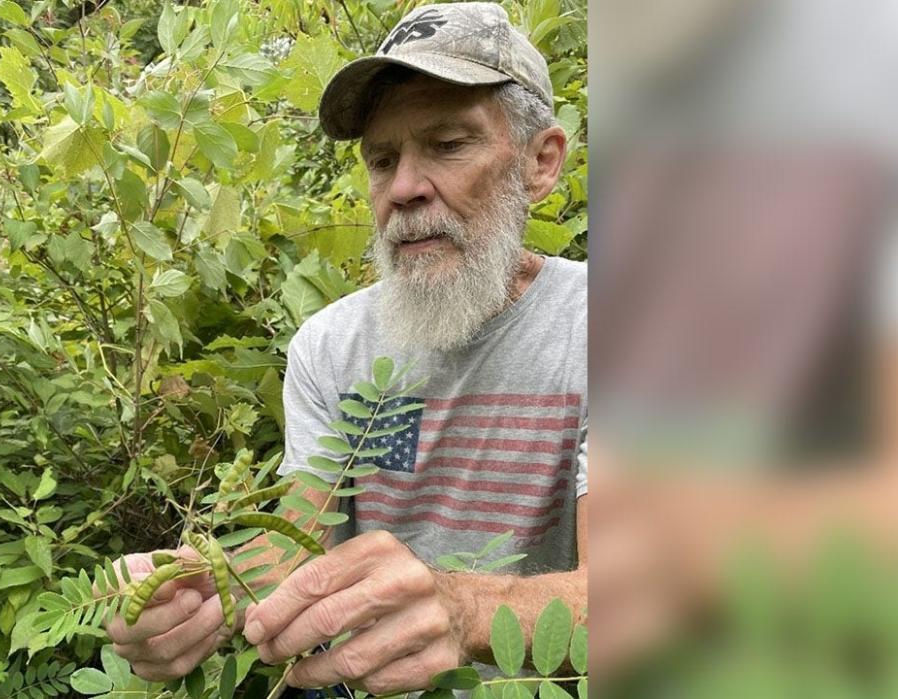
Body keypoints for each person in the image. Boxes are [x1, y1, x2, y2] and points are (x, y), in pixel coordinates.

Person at [107, 3, 587, 694]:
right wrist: (207, 591)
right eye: (382, 159)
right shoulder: (330, 346)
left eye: (448, 145)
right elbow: (296, 548)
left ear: (540, 164)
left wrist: (459, 610)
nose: (403, 189)